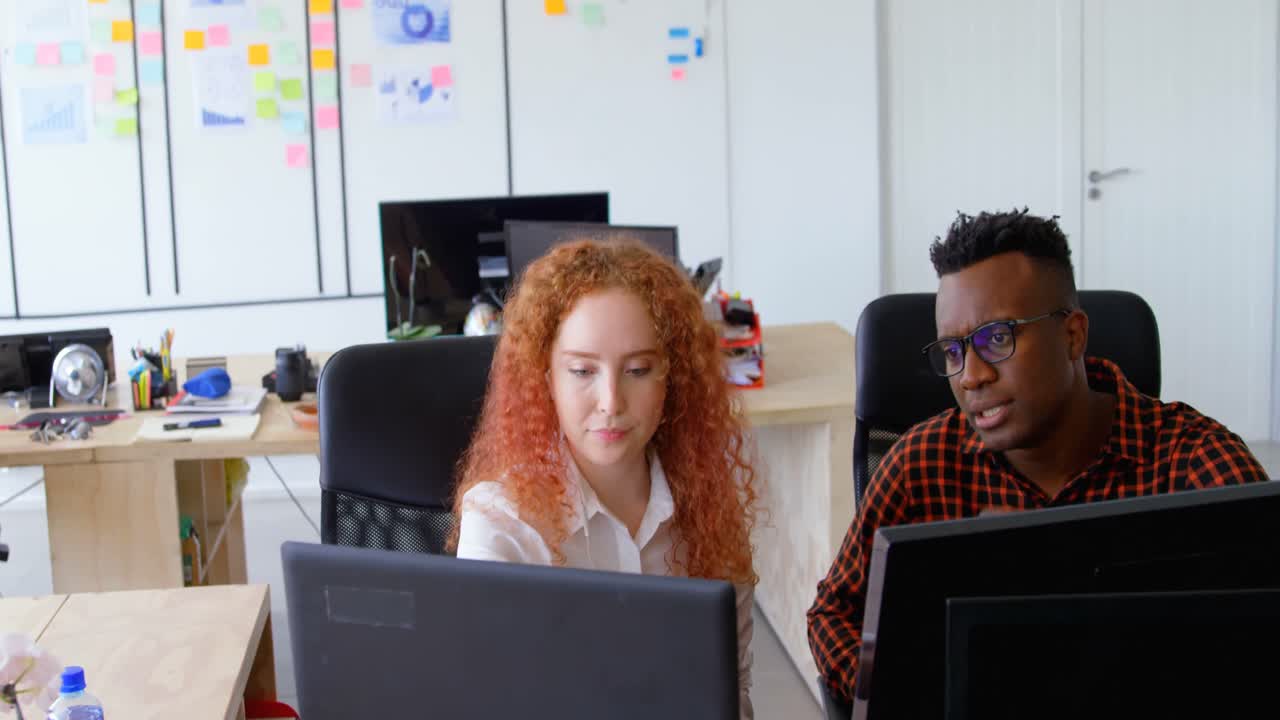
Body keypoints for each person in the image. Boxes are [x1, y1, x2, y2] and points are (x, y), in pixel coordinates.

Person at [807, 209, 1271, 705]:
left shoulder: (1195, 465)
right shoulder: (920, 464)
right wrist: (918, 695)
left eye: (997, 338)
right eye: (953, 350)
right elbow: (835, 614)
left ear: (1072, 335)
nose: (970, 377)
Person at [451, 239, 759, 718]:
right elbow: (485, 701)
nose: (611, 401)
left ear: (671, 378)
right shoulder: (500, 521)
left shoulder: (708, 509)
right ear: (544, 376)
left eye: (638, 369)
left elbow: (732, 692)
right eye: (581, 370)